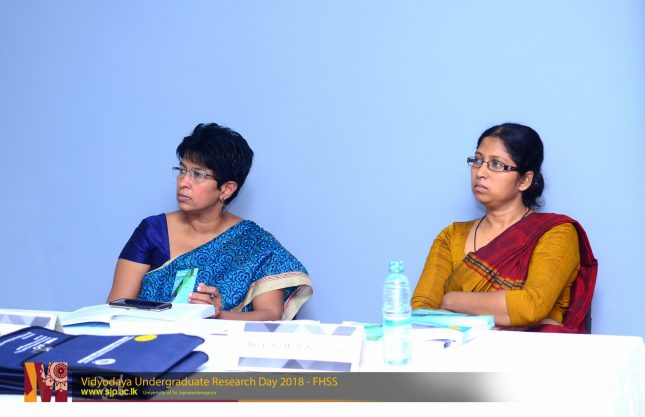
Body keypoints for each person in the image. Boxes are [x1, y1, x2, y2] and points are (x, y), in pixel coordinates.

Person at [107, 123, 312, 320]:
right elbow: (115, 307)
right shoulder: (153, 231)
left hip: (222, 341)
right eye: (182, 170)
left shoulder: (255, 244)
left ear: (226, 189)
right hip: (150, 339)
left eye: (198, 174)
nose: (183, 182)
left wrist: (216, 315)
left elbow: (270, 315)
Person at [411, 123, 597, 333]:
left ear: (525, 180)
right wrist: (507, 320)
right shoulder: (451, 237)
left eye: (496, 164)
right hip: (456, 352)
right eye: (477, 160)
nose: (480, 172)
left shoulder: (556, 232)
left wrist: (451, 300)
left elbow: (530, 306)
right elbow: (421, 313)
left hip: (531, 352)